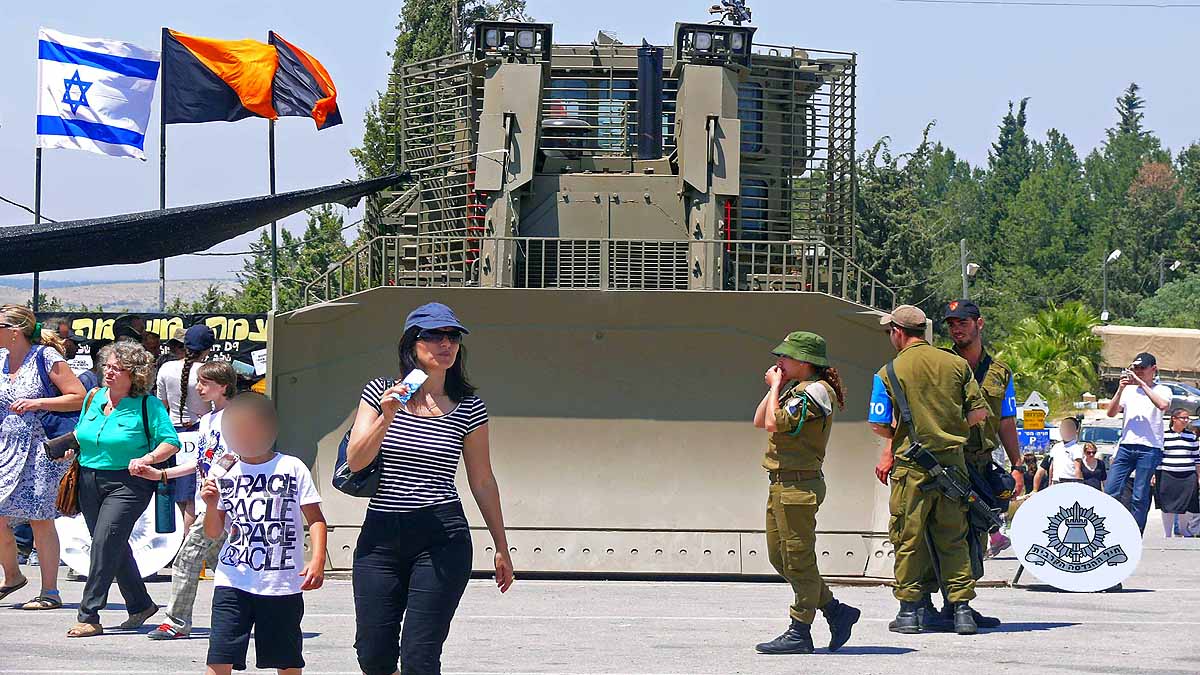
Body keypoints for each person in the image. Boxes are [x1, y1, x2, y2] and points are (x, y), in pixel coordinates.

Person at [346, 302, 513, 675]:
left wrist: (501, 547)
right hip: (381, 537)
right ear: (412, 343)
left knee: (420, 659)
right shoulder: (378, 393)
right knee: (373, 654)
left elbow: (482, 479)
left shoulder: (469, 406)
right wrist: (388, 414)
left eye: (452, 336)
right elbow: (356, 461)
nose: (445, 344)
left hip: (441, 535)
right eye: (434, 336)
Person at [869, 304, 990, 636]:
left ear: (898, 332)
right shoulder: (956, 365)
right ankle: (962, 610)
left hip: (912, 468)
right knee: (953, 538)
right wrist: (950, 431)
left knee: (908, 539)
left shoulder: (888, 372)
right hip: (954, 467)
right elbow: (979, 414)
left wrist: (901, 434)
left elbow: (879, 424)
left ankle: (910, 611)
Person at [201, 393, 326, 675]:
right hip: (232, 577)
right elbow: (213, 532)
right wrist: (210, 504)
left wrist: (316, 560)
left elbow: (316, 519)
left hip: (281, 582)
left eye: (252, 428)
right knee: (220, 656)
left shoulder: (291, 467)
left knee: (287, 660)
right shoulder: (224, 471)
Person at [752, 331, 861, 655]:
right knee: (780, 557)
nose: (779, 362)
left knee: (799, 561)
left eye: (785, 357)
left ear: (804, 361)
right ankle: (836, 610)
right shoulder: (797, 390)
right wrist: (778, 387)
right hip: (782, 482)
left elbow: (775, 423)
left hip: (799, 486)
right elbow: (761, 420)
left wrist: (775, 386)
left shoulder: (816, 392)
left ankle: (800, 629)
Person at [68, 341, 180, 638]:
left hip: (129, 483)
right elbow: (82, 433)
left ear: (136, 374)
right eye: (107, 366)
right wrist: (71, 448)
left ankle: (89, 614)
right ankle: (141, 604)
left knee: (104, 542)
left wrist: (147, 458)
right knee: (111, 544)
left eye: (118, 368)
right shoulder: (93, 397)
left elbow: (171, 442)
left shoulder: (148, 405)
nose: (109, 372)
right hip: (89, 479)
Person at [140, 361, 238, 640]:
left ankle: (176, 621)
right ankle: (251, 612)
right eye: (199, 382)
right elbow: (200, 461)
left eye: (205, 383)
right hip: (211, 503)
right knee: (224, 563)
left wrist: (216, 479)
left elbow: (237, 455)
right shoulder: (207, 420)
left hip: (227, 503)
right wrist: (162, 474)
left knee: (187, 558)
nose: (198, 388)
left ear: (223, 386)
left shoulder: (235, 416)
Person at [939, 299, 1022, 625]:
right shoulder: (941, 364)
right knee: (947, 533)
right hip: (948, 461)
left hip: (981, 464)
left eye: (963, 321)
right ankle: (945, 604)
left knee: (977, 533)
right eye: (951, 323)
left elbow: (1006, 421)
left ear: (979, 324)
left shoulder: (1000, 373)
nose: (956, 328)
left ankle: (960, 604)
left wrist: (1017, 466)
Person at [0, 305, 86, 610]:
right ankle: (12, 576)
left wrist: (38, 402)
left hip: (39, 448)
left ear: (14, 332)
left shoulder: (45, 357)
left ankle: (50, 591)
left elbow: (79, 396)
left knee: (40, 518)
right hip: (5, 448)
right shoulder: (0, 360)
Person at [156, 324, 215, 534]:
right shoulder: (208, 372)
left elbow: (160, 405)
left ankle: (178, 540)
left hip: (172, 434)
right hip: (199, 432)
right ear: (208, 348)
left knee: (178, 492)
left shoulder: (166, 368)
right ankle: (185, 542)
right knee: (192, 495)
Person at [1104, 352, 1172, 533]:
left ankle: (1135, 533)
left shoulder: (1163, 390)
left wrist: (1142, 384)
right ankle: (1108, 529)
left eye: (1142, 368)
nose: (1138, 372)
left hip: (1150, 448)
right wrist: (1120, 389)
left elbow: (1163, 405)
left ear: (1153, 369)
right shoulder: (1128, 391)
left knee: (1139, 495)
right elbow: (1110, 413)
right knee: (1111, 490)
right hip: (1126, 445)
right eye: (1135, 368)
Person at [1153, 410, 1199, 538]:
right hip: (1166, 474)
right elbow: (1157, 457)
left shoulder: (1192, 436)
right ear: (1174, 419)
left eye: (1187, 418)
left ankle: (1184, 530)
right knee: (1167, 505)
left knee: (1185, 504)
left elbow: (1197, 459)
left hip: (1188, 476)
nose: (1185, 421)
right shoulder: (1163, 435)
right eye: (1183, 418)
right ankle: (1167, 534)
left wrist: (1199, 477)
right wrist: (1153, 474)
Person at [1034, 417, 1084, 487]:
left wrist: (1079, 485)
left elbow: (1077, 468)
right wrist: (1050, 483)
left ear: (1076, 430)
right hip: (1056, 482)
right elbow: (1052, 466)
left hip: (1070, 482)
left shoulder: (1076, 448)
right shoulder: (1056, 447)